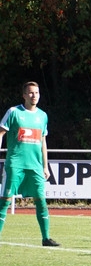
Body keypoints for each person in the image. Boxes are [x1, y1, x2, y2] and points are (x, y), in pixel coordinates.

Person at [0, 81, 59, 247]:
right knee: (5, 200)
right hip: (15, 164)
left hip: (35, 166)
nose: (34, 96)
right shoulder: (13, 112)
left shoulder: (43, 116)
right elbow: (1, 132)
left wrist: (45, 166)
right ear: (24, 95)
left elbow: (42, 142)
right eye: (31, 93)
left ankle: (46, 238)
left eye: (37, 93)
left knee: (40, 199)